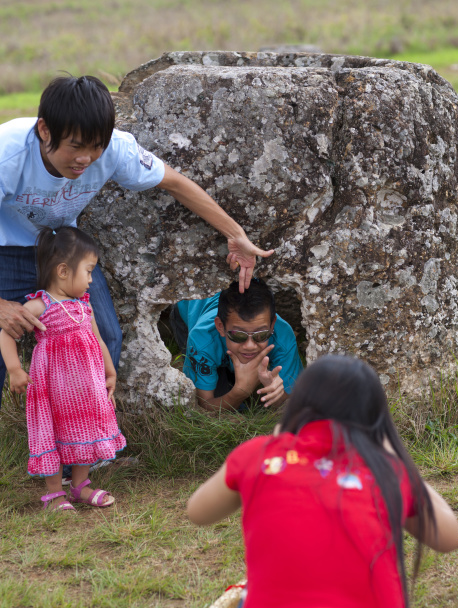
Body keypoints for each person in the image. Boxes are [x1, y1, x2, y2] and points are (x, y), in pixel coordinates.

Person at [187, 354, 458, 608]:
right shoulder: (386, 470)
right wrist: (396, 457)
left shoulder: (260, 456)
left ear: (299, 405)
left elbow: (197, 511)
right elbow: (449, 537)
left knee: (246, 597)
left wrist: (272, 444)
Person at [0, 74, 273, 407]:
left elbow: (175, 182)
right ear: (44, 130)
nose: (85, 159)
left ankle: (87, 437)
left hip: (61, 246)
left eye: (95, 147)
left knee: (106, 335)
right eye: (74, 146)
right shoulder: (8, 154)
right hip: (5, 248)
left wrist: (236, 234)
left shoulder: (115, 148)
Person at [0, 226, 126, 511]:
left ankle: (80, 486)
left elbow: (97, 339)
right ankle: (54, 494)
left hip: (86, 388)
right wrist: (15, 370)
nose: (92, 280)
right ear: (63, 271)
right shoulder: (39, 305)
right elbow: (6, 334)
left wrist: (110, 372)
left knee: (84, 431)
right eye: (89, 271)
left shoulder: (83, 305)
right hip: (53, 389)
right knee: (52, 432)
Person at [171, 279, 303, 411]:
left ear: (272, 325)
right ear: (220, 327)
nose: (250, 346)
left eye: (261, 335)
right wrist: (241, 391)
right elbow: (205, 404)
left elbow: (291, 400)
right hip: (188, 307)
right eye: (238, 335)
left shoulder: (283, 335)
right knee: (223, 404)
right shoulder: (202, 339)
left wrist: (276, 394)